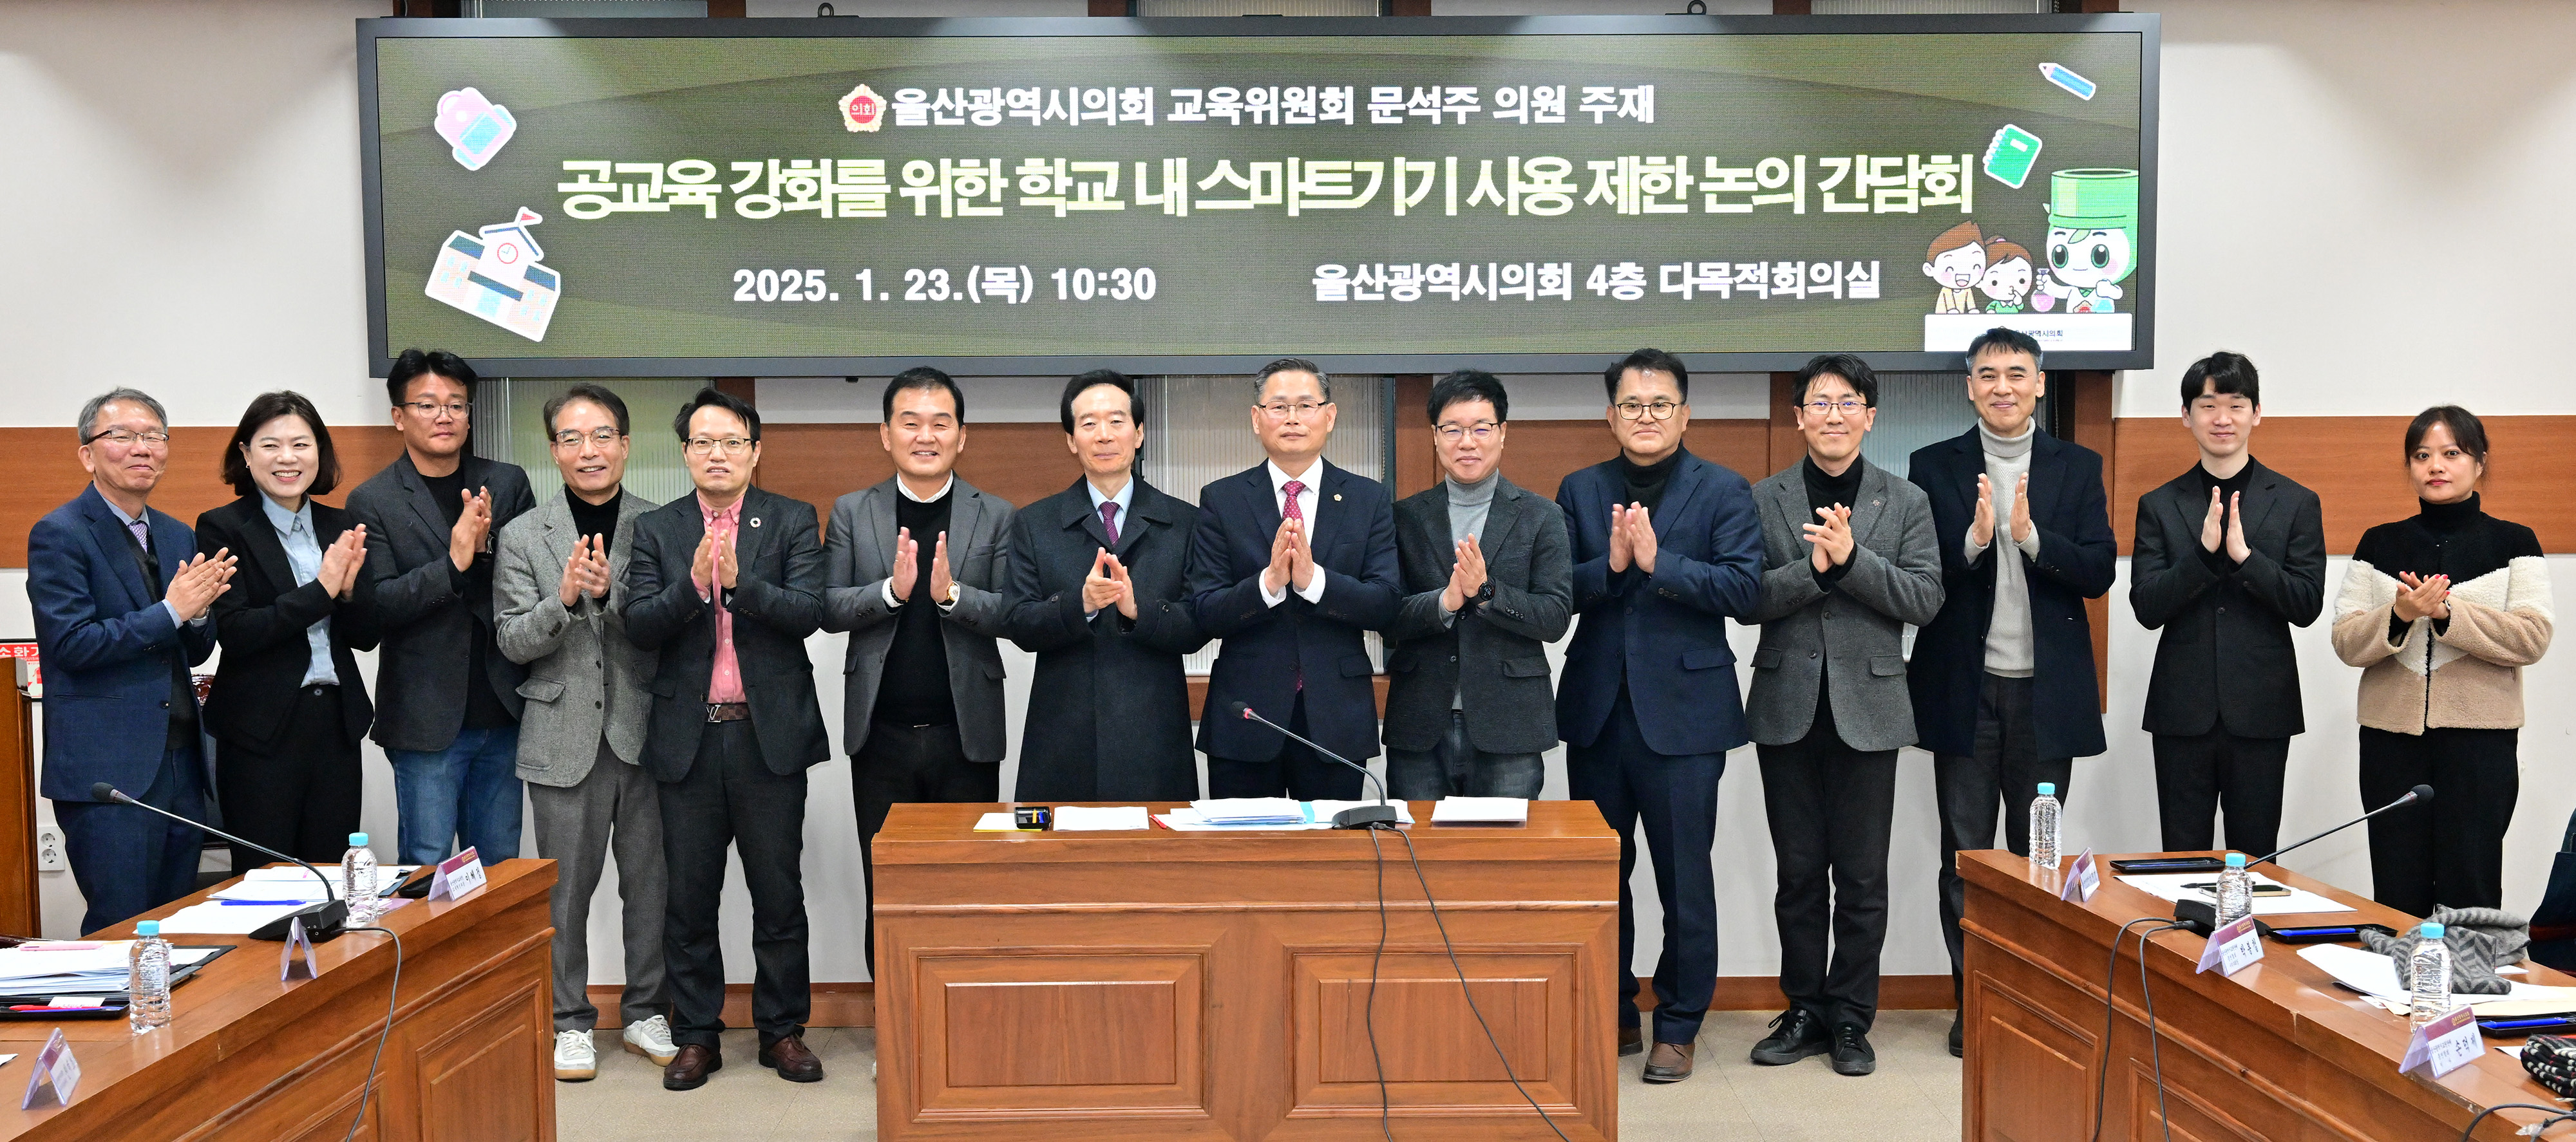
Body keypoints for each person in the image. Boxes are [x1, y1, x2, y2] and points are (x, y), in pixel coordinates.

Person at [1906, 326, 2115, 1057]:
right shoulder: (1931, 465)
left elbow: (2097, 572)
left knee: (2039, 860)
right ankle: (1974, 1000)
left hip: (2045, 699)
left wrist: (2029, 539)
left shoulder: (2077, 466)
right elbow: (1920, 579)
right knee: (1963, 856)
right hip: (1964, 690)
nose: (2001, 385)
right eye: (1987, 373)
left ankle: (2031, 994)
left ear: (2039, 383)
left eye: (2015, 372)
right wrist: (1972, 541)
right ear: (1969, 385)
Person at [1555, 348, 1763, 1083]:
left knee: (1684, 879)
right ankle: (1612, 1010)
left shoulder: (1725, 489)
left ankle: (1678, 1023)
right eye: (1632, 405)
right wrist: (1610, 566)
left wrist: (1657, 564)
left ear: (1684, 413)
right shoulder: (1579, 490)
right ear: (1610, 415)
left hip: (1686, 717)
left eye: (1660, 404)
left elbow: (1745, 590)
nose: (1646, 417)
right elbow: (1558, 593)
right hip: (1598, 712)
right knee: (1601, 875)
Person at [1742, 355, 1944, 1078]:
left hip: (1871, 705)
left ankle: (1852, 1016)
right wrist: (1814, 572)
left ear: (1870, 416)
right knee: (1798, 872)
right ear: (1797, 416)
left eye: (1847, 401)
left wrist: (1852, 559)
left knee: (1861, 876)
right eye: (1819, 402)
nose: (1833, 414)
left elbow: (1924, 599)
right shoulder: (1763, 497)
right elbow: (1748, 598)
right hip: (1785, 705)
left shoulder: (1906, 500)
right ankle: (1803, 1008)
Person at [623, 387, 830, 1089]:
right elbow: (639, 624)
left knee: (779, 893)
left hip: (767, 738)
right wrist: (691, 587)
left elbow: (809, 611)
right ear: (684, 453)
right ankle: (697, 1035)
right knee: (688, 897)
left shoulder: (793, 520)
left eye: (732, 441)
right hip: (689, 739)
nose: (718, 453)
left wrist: (741, 589)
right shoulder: (656, 529)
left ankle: (782, 1031)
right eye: (704, 442)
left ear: (755, 451)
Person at [493, 384, 675, 1082]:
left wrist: (615, 598)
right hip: (560, 734)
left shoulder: (658, 525)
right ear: (553, 451)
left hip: (643, 729)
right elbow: (512, 640)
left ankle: (644, 1010)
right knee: (564, 892)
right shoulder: (522, 534)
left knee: (650, 885)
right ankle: (569, 1021)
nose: (588, 449)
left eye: (602, 435)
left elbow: (670, 626)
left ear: (626, 445)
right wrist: (564, 599)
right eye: (572, 438)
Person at [821, 368, 1015, 973]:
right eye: (911, 422)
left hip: (968, 737)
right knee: (890, 889)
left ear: (962, 435)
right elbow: (827, 607)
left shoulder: (997, 514)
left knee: (969, 890)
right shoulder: (854, 511)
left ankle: (964, 1028)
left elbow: (1015, 610)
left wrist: (953, 595)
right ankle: (898, 1039)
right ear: (886, 434)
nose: (925, 435)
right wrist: (891, 592)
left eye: (940, 423)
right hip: (880, 736)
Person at [2331, 406, 2552, 915]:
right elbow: (2346, 640)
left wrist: (2450, 613)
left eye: (2452, 454)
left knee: (2470, 886)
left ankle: (2471, 988)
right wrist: (2401, 613)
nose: (2436, 466)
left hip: (2480, 747)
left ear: (2479, 463)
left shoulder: (2515, 542)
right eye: (2422, 455)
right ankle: (2398, 991)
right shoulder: (2378, 542)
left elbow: (2532, 637)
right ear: (2409, 466)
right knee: (2396, 886)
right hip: (2390, 744)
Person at [30, 389, 234, 933]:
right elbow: (72, 644)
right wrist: (173, 610)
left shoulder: (176, 533)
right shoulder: (59, 534)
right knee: (120, 929)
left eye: (153, 437)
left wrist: (194, 617)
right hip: (108, 772)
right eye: (122, 436)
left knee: (179, 928)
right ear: (88, 454)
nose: (141, 448)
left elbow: (195, 647)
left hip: (181, 764)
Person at [2130, 352, 2325, 857]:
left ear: (2257, 413)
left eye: (2236, 405)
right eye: (2208, 405)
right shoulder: (2159, 503)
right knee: (2181, 859)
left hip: (2262, 710)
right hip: (2181, 712)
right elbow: (2147, 606)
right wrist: (2201, 555)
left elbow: (2305, 604)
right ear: (2186, 415)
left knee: (2256, 861)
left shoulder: (2296, 501)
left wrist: (2243, 557)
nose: (2222, 418)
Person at [348, 349, 536, 866]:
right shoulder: (374, 500)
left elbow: (527, 583)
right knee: (426, 867)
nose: (445, 416)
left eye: (456, 404)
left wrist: (486, 551)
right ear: (399, 417)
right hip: (425, 717)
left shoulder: (507, 482)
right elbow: (379, 604)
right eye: (428, 405)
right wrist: (453, 563)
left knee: (500, 868)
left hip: (502, 707)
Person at [1188, 358, 1401, 800]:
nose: (1292, 419)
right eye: (1278, 407)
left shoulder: (1368, 498)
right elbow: (1204, 609)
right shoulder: (1222, 499)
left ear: (1330, 415)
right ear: (1256, 418)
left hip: (1335, 717)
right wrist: (1267, 584)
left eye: (1306, 405)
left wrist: (1314, 581)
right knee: (1244, 860)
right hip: (1246, 714)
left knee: (1334, 864)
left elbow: (1386, 604)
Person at [194, 392, 379, 881]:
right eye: (271, 445)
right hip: (260, 732)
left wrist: (351, 593)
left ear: (320, 451)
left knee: (331, 882)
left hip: (336, 726)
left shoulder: (340, 525)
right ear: (246, 453)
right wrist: (322, 590)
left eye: (301, 443)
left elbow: (363, 637)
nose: (287, 458)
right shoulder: (222, 528)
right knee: (264, 884)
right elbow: (236, 632)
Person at [1003, 370, 1207, 801]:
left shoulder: (1184, 522)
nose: (1104, 436)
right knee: (1064, 864)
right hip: (1063, 733)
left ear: (1139, 433)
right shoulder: (1035, 524)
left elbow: (1197, 626)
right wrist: (1081, 605)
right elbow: (1019, 623)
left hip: (1154, 732)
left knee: (1156, 864)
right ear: (1071, 440)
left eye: (1117, 421)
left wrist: (1139, 610)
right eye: (1088, 423)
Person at [1382, 369, 1570, 800]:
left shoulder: (1541, 516)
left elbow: (1555, 616)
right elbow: (1387, 617)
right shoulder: (1405, 517)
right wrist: (1445, 602)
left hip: (1511, 724)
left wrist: (1487, 593)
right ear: (1435, 435)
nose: (1467, 442)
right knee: (1418, 861)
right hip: (1420, 723)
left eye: (1481, 428)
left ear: (1502, 433)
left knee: (1502, 862)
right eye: (1453, 429)